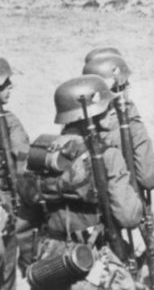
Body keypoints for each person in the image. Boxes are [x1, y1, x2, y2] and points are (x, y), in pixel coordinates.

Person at [17, 75, 143, 289]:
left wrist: (33, 264)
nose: (113, 111)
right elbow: (129, 216)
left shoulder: (42, 157)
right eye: (107, 107)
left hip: (49, 260)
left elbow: (25, 225)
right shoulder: (107, 156)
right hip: (93, 257)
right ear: (91, 114)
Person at [82, 54, 154, 191]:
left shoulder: (77, 122)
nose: (129, 86)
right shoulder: (129, 122)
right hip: (127, 198)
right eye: (124, 84)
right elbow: (148, 177)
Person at [0, 58, 29, 290]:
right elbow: (24, 164)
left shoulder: (8, 121)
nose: (10, 86)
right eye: (5, 83)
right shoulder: (9, 122)